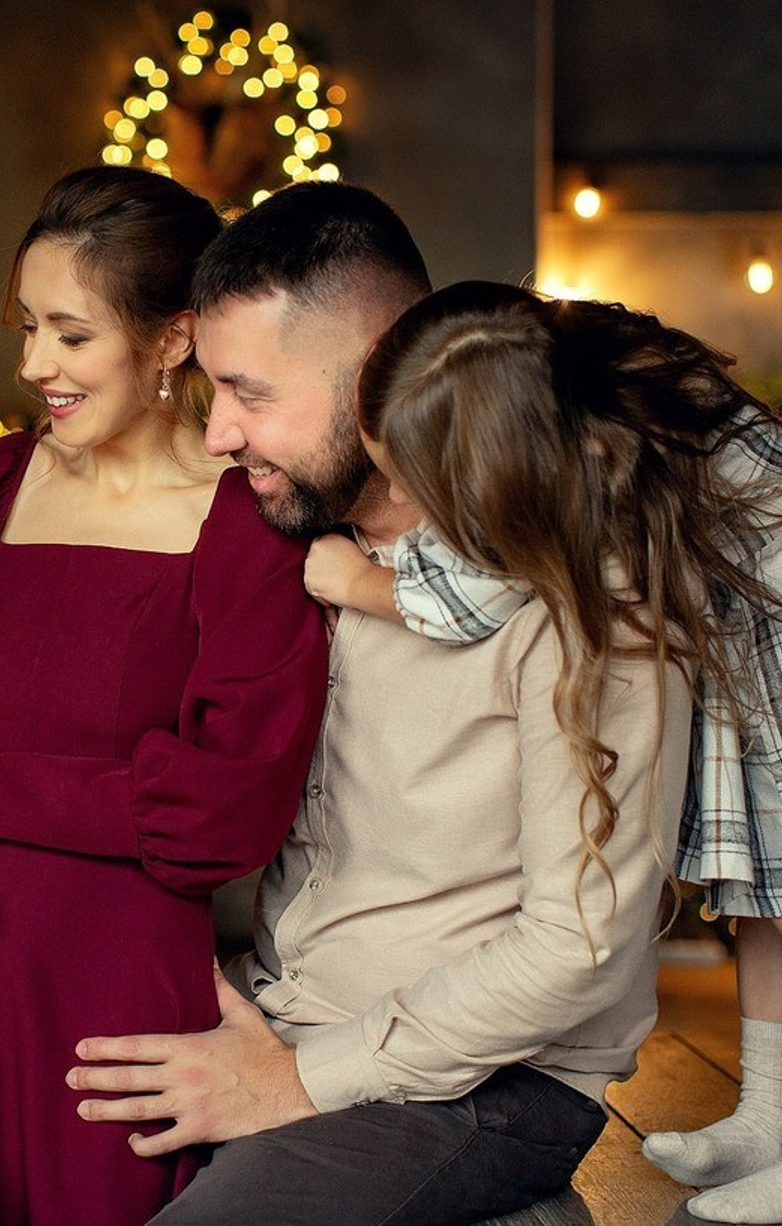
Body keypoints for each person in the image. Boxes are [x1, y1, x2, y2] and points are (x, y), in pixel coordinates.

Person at [65, 184, 694, 1225]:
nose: (217, 432)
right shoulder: (299, 542)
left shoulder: (580, 589)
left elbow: (577, 945)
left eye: (247, 391)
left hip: (482, 1082)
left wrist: (296, 1081)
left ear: (373, 380)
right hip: (279, 1011)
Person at [0, 166, 330, 1226]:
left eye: (69, 333)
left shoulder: (245, 524)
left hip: (108, 1013)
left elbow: (227, 812)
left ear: (172, 336)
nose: (33, 362)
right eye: (28, 326)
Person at [304, 281, 782, 1226]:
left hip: (767, 604)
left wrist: (355, 579)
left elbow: (479, 591)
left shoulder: (576, 462)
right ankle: (769, 1110)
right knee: (762, 884)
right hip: (737, 611)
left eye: (409, 475)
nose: (399, 496)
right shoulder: (532, 371)